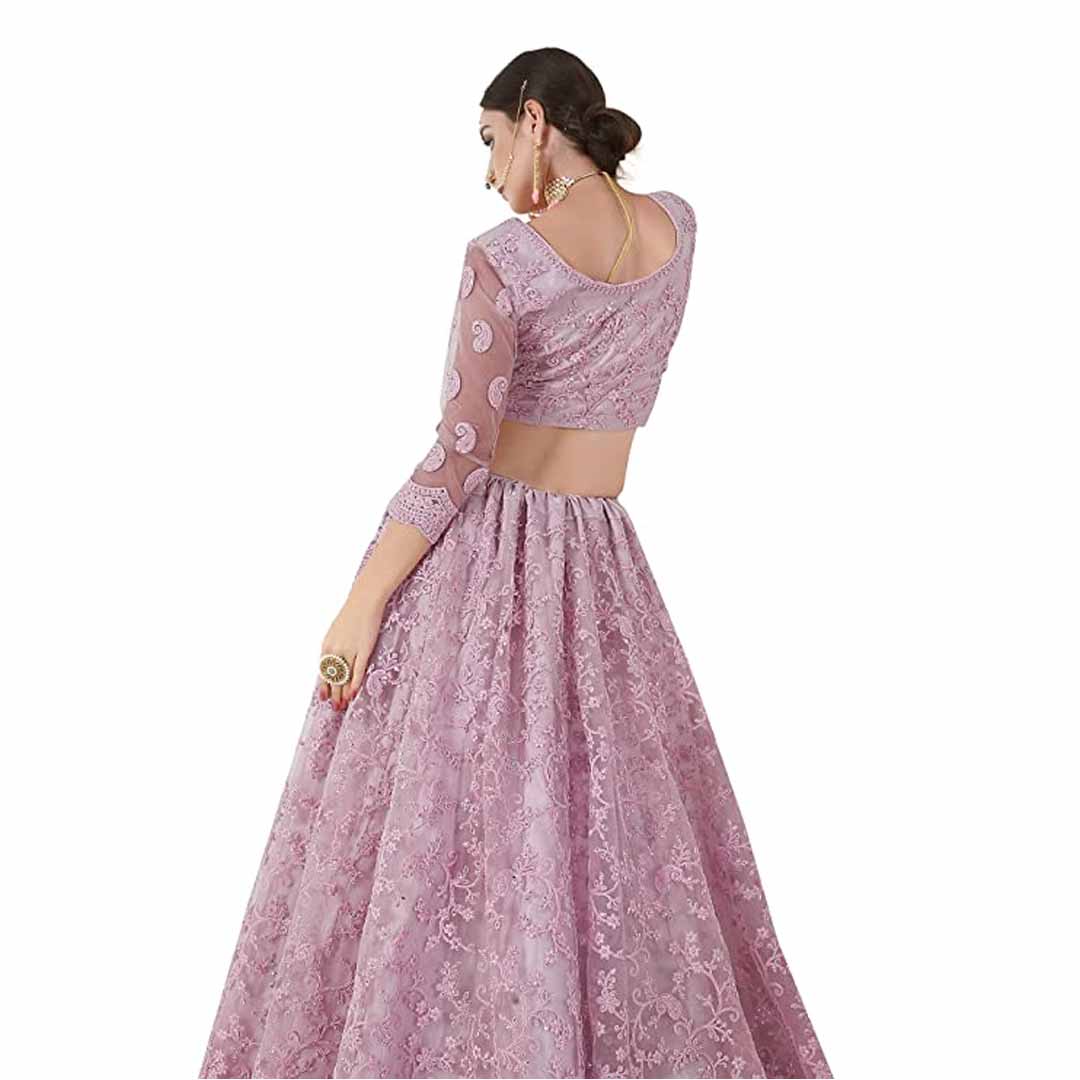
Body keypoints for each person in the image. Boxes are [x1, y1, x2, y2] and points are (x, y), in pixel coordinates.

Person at [198, 47, 832, 1080]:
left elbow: (460, 454)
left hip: (490, 568)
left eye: (492, 141)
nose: (490, 172)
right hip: (605, 563)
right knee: (611, 831)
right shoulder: (678, 229)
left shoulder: (505, 256)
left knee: (455, 839)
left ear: (535, 121)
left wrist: (360, 602)